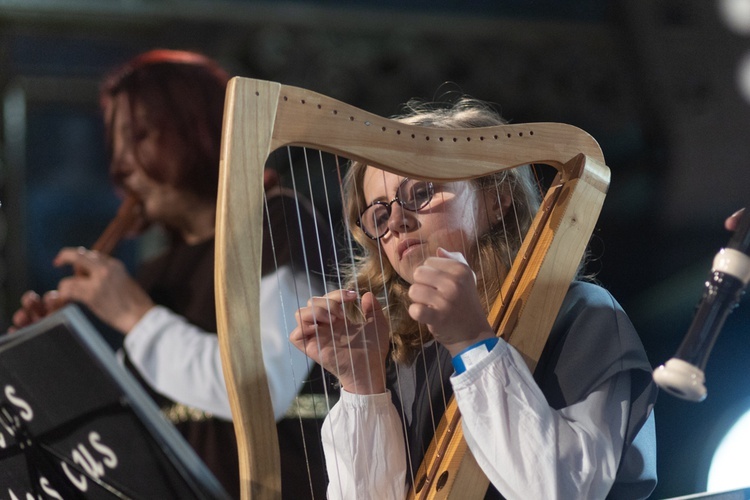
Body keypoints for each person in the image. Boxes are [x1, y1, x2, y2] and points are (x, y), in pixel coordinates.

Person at [290, 98, 658, 499]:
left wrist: (472, 345)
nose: (396, 222)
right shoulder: (402, 355)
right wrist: (361, 385)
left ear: (496, 200)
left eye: (421, 192)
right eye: (378, 215)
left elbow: (560, 490)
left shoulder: (581, 314)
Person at [10, 49, 332, 499]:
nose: (121, 166)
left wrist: (136, 317)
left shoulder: (276, 218)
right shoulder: (155, 273)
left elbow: (264, 389)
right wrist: (53, 362)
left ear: (197, 130)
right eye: (115, 145)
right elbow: (130, 439)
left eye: (140, 136)